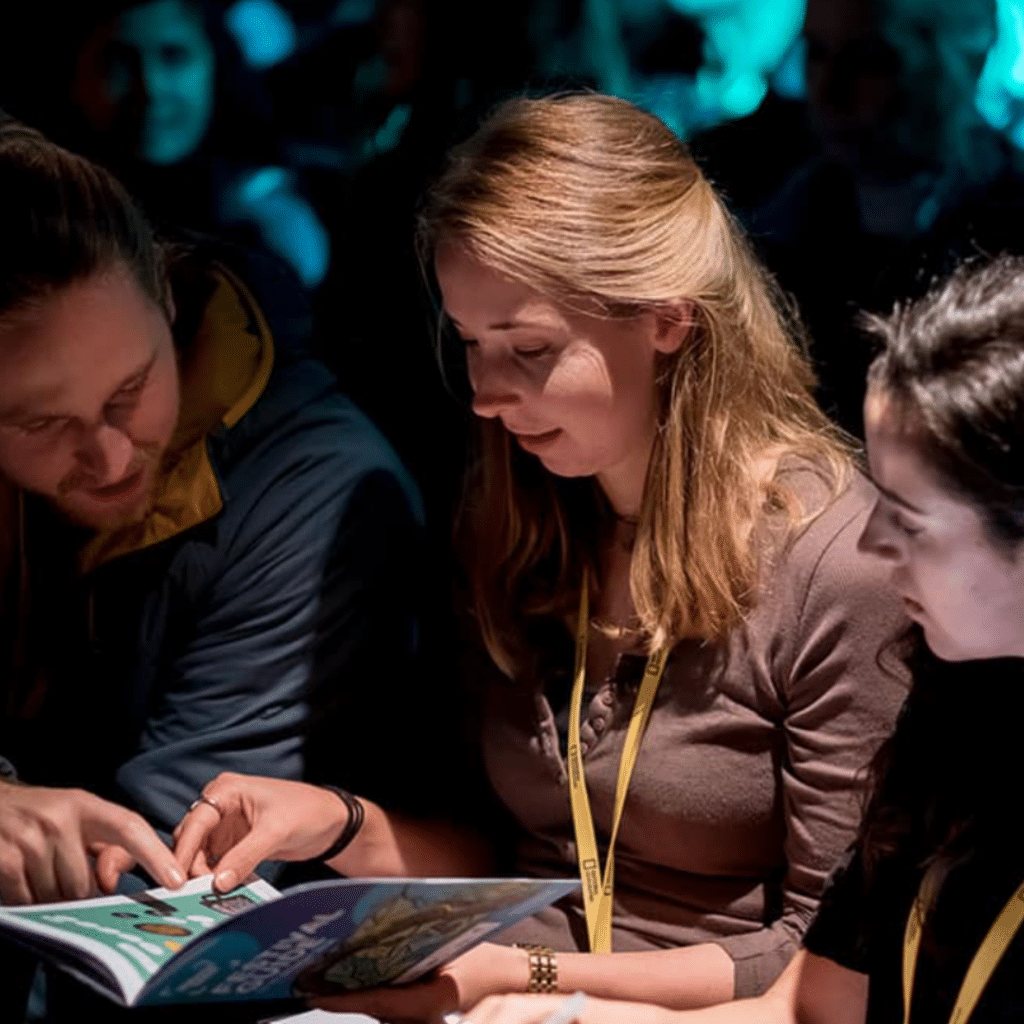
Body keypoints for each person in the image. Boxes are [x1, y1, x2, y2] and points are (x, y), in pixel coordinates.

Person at [172, 93, 908, 1018]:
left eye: (528, 348)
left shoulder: (838, 564)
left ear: (668, 321)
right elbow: (506, 851)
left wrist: (532, 977)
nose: (484, 393)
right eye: (471, 343)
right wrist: (339, 823)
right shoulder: (529, 514)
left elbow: (830, 968)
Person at [459, 253, 1024, 1023]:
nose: (873, 539)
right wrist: (582, 1011)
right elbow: (812, 1005)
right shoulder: (950, 705)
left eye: (911, 517)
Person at [0, 118, 423, 1018]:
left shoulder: (313, 492)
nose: (111, 456)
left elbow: (156, 903)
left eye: (129, 392)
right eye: (39, 424)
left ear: (167, 287)